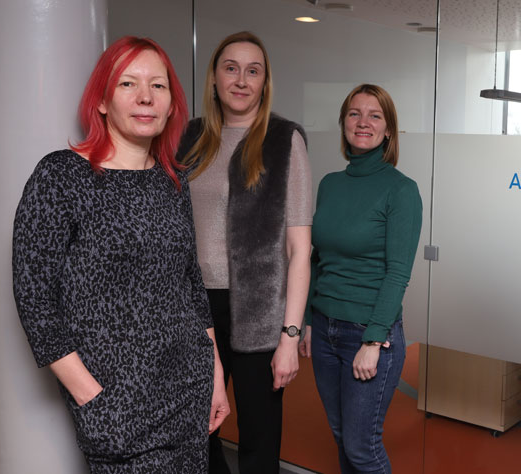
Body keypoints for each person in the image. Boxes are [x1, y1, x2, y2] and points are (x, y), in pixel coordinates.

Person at [12, 36, 229, 473]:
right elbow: (35, 299)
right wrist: (90, 396)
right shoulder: (62, 175)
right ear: (102, 101)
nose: (146, 96)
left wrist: (216, 376)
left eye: (158, 86)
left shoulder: (173, 180)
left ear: (171, 104)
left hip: (188, 388)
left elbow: (190, 282)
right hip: (116, 406)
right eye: (128, 83)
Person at [177, 31, 312, 474]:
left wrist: (289, 336)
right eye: (231, 68)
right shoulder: (189, 137)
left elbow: (299, 249)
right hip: (194, 308)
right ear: (214, 77)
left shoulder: (284, 139)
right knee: (196, 432)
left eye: (253, 71)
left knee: (258, 441)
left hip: (259, 309)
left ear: (264, 82)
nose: (241, 80)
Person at [299, 84, 423, 473]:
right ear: (343, 123)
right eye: (354, 113)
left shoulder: (401, 191)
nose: (363, 122)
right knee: (343, 438)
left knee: (361, 447)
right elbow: (317, 258)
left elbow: (398, 272)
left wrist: (372, 341)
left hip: (367, 334)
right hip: (324, 330)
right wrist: (307, 321)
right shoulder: (330, 184)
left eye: (375, 115)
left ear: (389, 130)